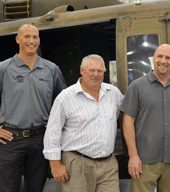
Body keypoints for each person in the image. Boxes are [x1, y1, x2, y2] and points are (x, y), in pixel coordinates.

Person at [120, 44, 170, 192]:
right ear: (153, 59)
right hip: (144, 161)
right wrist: (133, 156)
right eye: (160, 56)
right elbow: (127, 121)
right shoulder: (137, 86)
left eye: (168, 58)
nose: (163, 61)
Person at [0, 24, 67, 192]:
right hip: (10, 140)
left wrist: (55, 126)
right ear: (17, 39)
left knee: (36, 188)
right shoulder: (3, 68)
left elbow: (65, 102)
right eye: (27, 36)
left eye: (35, 37)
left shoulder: (51, 69)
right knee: (7, 188)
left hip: (40, 139)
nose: (31, 41)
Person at [43, 54, 123, 192]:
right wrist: (55, 164)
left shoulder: (113, 93)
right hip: (77, 164)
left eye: (99, 71)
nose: (95, 75)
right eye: (91, 70)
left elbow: (127, 115)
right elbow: (52, 132)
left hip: (108, 165)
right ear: (82, 70)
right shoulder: (65, 97)